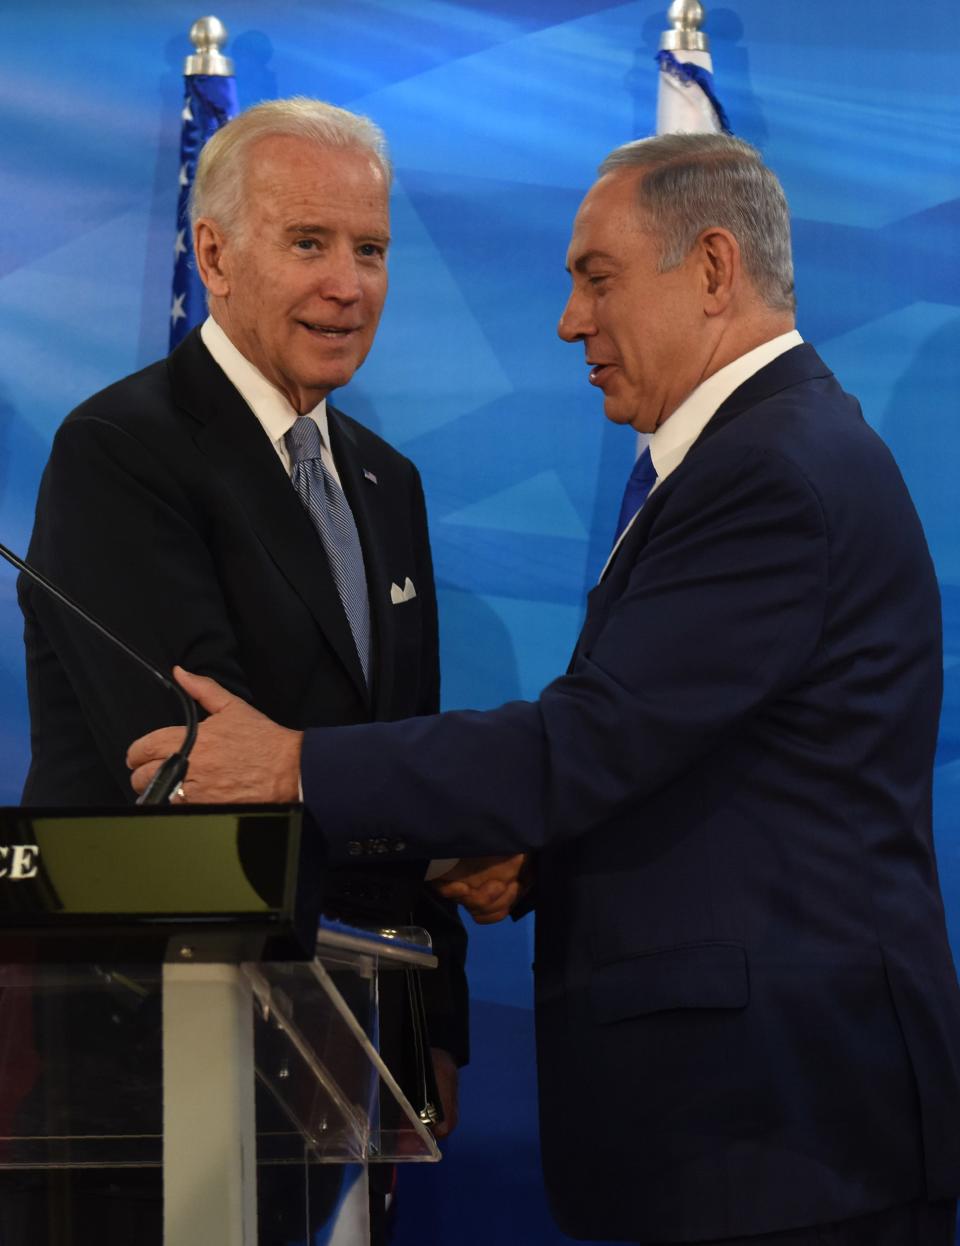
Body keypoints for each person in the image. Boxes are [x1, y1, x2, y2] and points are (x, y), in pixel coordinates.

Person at [129, 133, 960, 1245]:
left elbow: (591, 738)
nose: (571, 319)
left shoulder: (772, 472)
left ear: (714, 268)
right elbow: (696, 760)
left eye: (596, 277)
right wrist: (535, 853)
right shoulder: (763, 455)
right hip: (766, 1133)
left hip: (785, 1135)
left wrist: (290, 763)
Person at [17, 98, 467, 1243]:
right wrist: (435, 802)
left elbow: (393, 730)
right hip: (151, 1049)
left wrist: (435, 1022)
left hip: (347, 1043)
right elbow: (199, 758)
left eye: (370, 250)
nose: (349, 284)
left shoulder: (386, 479)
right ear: (211, 254)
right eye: (308, 243)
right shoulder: (122, 449)